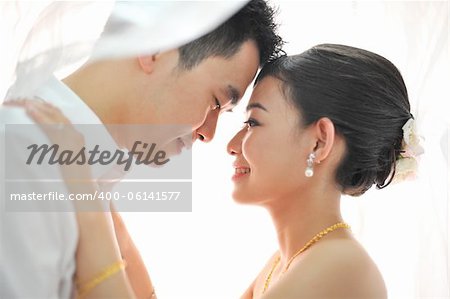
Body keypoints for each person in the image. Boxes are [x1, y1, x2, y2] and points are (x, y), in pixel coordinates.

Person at [20, 43, 420, 298]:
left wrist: (91, 221)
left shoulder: (338, 269)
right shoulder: (291, 261)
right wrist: (104, 210)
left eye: (254, 122)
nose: (229, 144)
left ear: (319, 141)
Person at [0, 1, 283, 298]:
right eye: (215, 102)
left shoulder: (86, 174)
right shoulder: (22, 152)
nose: (208, 135)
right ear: (155, 47)